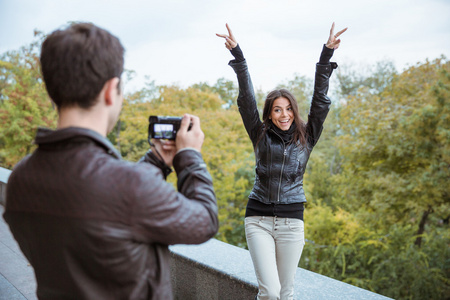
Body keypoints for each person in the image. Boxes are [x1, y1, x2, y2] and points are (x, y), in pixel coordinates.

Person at [3, 22, 218, 300]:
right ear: (110, 89)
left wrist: (156, 160)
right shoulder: (129, 185)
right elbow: (205, 220)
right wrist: (190, 156)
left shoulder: (21, 178)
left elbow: (106, 200)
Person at [216, 23, 347, 300]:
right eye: (277, 109)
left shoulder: (308, 136)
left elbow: (321, 101)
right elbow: (246, 99)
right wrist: (239, 58)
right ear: (270, 113)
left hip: (291, 221)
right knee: (270, 291)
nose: (284, 114)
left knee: (285, 293)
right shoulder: (259, 133)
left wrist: (326, 57)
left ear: (294, 111)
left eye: (288, 109)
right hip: (258, 219)